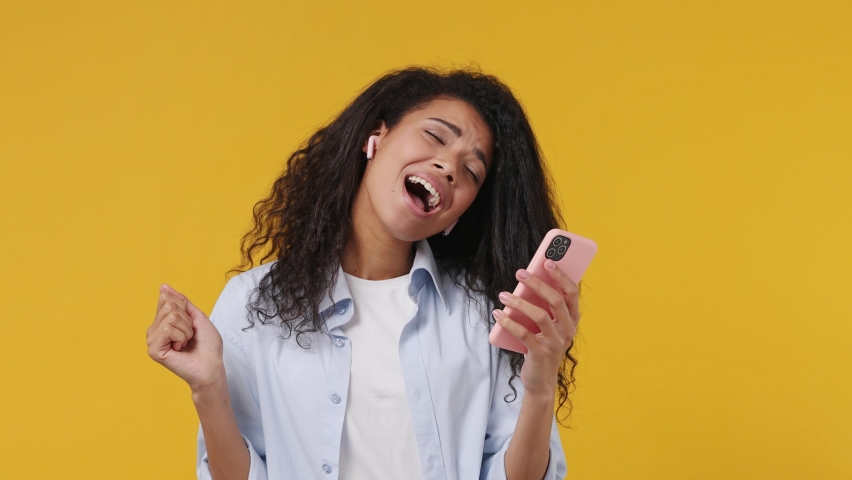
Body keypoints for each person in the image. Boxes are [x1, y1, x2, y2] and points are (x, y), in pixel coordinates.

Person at [146, 66, 581, 480]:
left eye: (470, 171)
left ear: (459, 213)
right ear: (376, 136)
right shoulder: (254, 303)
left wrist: (540, 389)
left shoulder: (488, 314)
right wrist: (208, 388)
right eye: (434, 136)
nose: (449, 167)